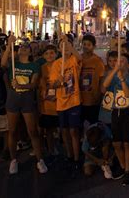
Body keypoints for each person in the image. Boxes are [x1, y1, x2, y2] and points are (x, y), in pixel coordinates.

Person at [1, 36, 47, 174]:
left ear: (30, 52)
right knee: (13, 131)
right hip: (13, 101)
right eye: (21, 46)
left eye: (27, 47)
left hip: (27, 101)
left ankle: (40, 160)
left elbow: (33, 84)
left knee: (32, 131)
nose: (23, 47)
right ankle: (13, 159)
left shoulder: (34, 66)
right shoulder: (13, 62)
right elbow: (3, 63)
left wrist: (21, 85)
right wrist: (9, 46)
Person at [102, 53, 129, 186]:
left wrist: (122, 80)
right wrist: (115, 71)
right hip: (115, 112)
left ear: (128, 65)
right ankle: (123, 166)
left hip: (127, 112)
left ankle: (128, 170)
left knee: (127, 143)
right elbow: (105, 85)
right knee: (116, 143)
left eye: (122, 61)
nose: (119, 63)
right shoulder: (113, 76)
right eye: (118, 61)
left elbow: (128, 94)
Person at [49, 34, 82, 172]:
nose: (65, 49)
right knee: (65, 131)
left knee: (74, 130)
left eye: (67, 46)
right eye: (62, 47)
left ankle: (76, 157)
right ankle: (69, 155)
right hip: (61, 102)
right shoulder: (56, 64)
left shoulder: (73, 59)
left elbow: (79, 59)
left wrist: (68, 42)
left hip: (74, 100)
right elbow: (53, 85)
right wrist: (59, 81)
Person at [38, 45, 59, 157]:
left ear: (56, 54)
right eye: (46, 53)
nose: (49, 55)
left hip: (59, 102)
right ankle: (50, 148)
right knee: (48, 129)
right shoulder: (42, 68)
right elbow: (41, 84)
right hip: (46, 103)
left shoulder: (60, 65)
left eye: (52, 53)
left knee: (60, 129)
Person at [80, 34, 105, 125]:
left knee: (94, 126)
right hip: (80, 99)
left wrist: (99, 95)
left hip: (93, 100)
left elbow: (101, 79)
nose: (86, 47)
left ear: (93, 46)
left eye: (88, 44)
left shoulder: (98, 61)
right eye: (84, 44)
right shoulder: (78, 59)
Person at [98, 51, 118, 126]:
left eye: (115, 60)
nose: (112, 63)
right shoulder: (105, 72)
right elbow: (102, 90)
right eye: (110, 61)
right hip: (107, 103)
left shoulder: (122, 73)